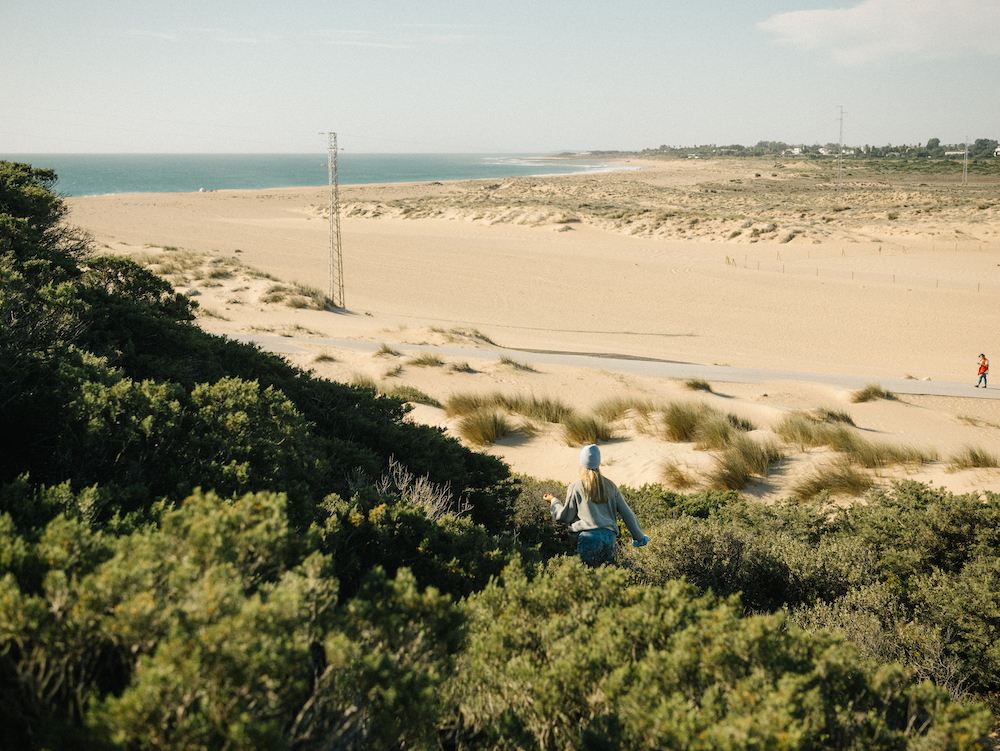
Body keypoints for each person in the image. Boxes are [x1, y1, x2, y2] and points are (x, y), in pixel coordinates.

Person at [544, 444, 649, 566]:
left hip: (588, 538)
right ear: (598, 462)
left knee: (586, 576)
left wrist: (554, 501)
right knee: (605, 577)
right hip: (610, 538)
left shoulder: (576, 487)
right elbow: (627, 514)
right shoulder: (611, 486)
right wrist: (639, 538)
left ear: (582, 462)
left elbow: (564, 517)